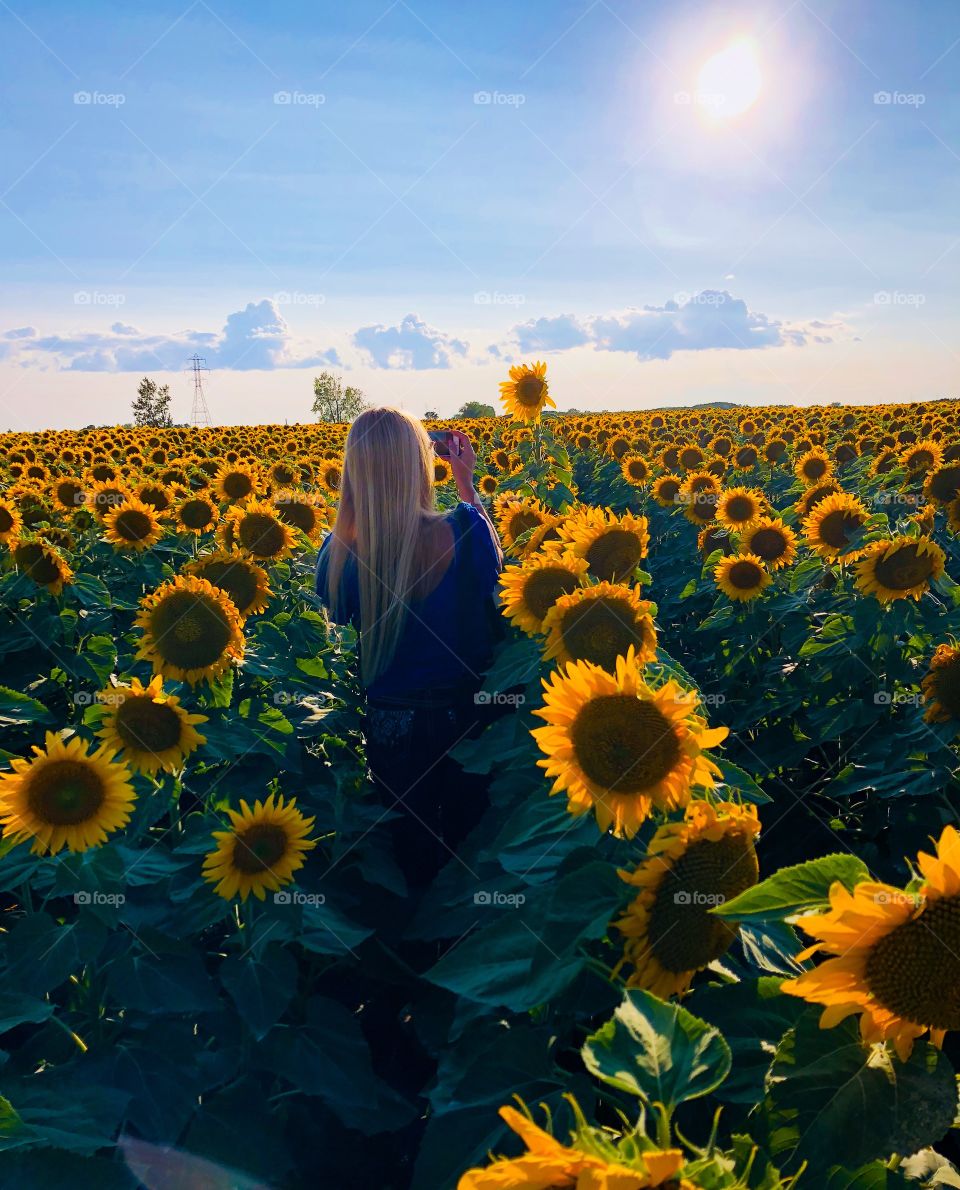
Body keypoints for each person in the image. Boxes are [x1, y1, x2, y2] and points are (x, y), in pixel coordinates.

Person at [315, 406, 503, 893]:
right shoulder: (464, 528)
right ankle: (460, 946)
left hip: (391, 724)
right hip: (468, 718)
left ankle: (409, 951)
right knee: (469, 848)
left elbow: (335, 617)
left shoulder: (338, 554)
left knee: (407, 853)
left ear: (355, 473)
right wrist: (467, 484)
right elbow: (499, 579)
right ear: (422, 463)